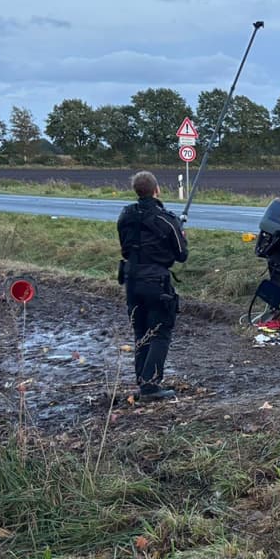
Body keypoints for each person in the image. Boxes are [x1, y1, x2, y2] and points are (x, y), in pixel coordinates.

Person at [116, 170, 188, 403]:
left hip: (131, 279)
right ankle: (150, 385)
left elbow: (126, 247)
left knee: (141, 331)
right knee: (160, 332)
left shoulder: (125, 215)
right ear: (157, 190)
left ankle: (142, 379)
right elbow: (182, 254)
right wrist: (181, 234)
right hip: (156, 281)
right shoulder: (166, 219)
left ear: (136, 190)